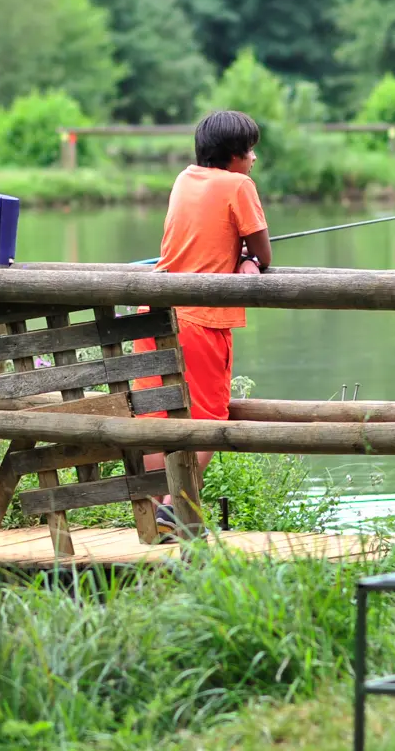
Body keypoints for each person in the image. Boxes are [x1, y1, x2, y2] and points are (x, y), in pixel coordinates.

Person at [131, 110, 271, 539]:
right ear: (232, 155)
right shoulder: (239, 185)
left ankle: (157, 510)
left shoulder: (184, 178)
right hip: (200, 319)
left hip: (153, 313)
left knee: (155, 415)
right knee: (210, 415)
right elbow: (263, 252)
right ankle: (177, 506)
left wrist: (239, 254)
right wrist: (248, 260)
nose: (252, 160)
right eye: (249, 152)